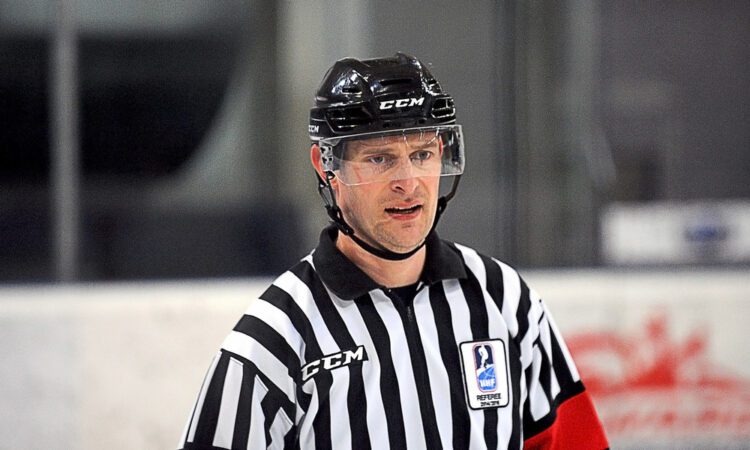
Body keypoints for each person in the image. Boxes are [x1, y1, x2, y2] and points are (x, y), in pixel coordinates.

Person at [178, 53, 608, 450]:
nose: (408, 182)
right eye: (380, 159)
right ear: (326, 166)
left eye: (422, 154)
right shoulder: (275, 339)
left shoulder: (504, 299)